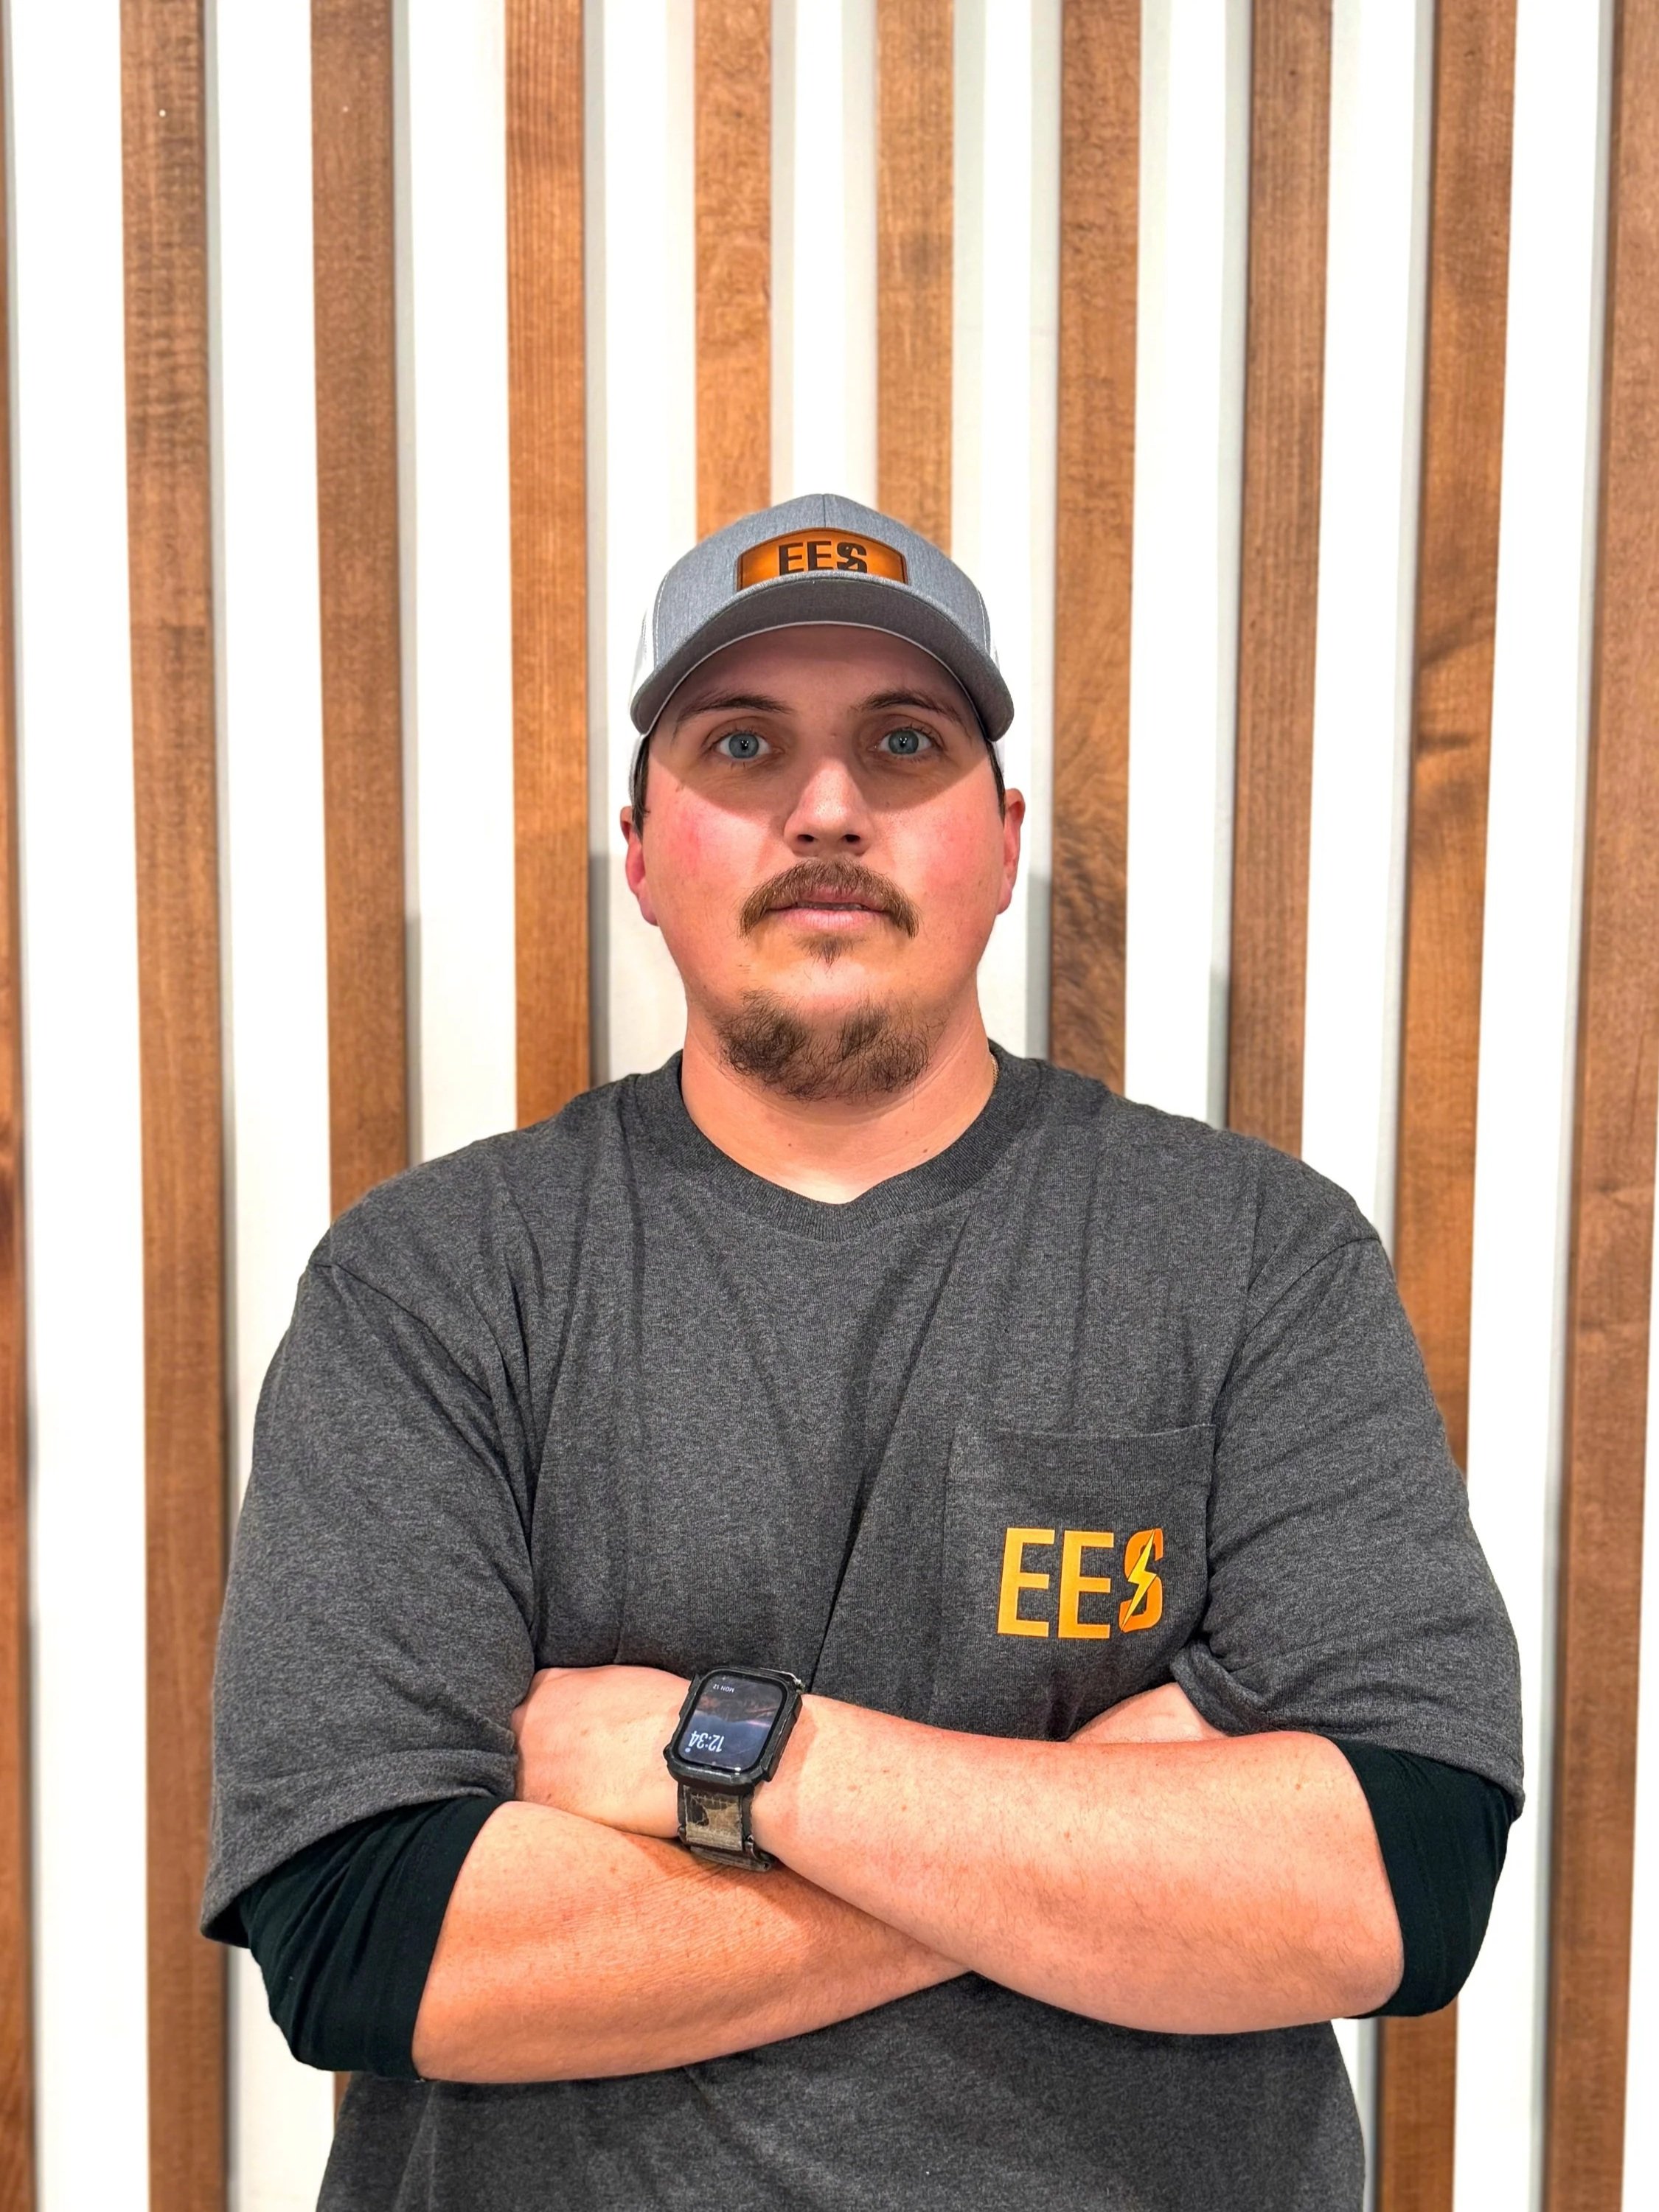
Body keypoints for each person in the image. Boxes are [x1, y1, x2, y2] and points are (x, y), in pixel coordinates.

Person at [204, 493, 1521, 2211]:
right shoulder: (438, 1284)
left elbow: (1402, 1887)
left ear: (1002, 835)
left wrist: (711, 1753)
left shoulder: (1252, 1257)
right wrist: (1088, 1836)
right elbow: (373, 1945)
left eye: (903, 743)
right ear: (639, 848)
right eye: (742, 745)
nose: (826, 807)